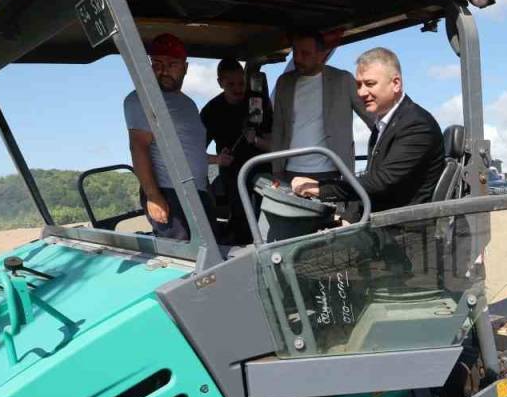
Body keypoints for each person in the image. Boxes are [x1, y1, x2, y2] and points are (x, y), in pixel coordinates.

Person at [293, 48, 444, 216]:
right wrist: (346, 217)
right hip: (383, 220)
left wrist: (319, 189)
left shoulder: (416, 125)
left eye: (370, 84)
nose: (361, 93)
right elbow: (373, 183)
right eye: (359, 85)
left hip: (405, 229)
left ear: (396, 84)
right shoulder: (383, 124)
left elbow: (381, 182)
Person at [124, 33, 215, 241]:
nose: (164, 70)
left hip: (198, 191)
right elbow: (139, 147)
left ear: (185, 67)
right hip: (169, 192)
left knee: (211, 254)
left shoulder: (188, 104)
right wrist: (153, 196)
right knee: (186, 258)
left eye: (172, 64)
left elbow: (189, 149)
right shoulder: (141, 99)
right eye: (157, 63)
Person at [272, 31, 374, 185]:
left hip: (333, 173)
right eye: (296, 52)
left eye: (305, 53)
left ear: (321, 55)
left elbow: (373, 118)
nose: (298, 58)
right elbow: (278, 129)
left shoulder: (343, 80)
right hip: (290, 173)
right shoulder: (284, 83)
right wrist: (276, 171)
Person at [201, 58, 273, 245]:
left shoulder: (258, 102)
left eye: (241, 83)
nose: (237, 88)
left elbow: (276, 140)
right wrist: (218, 159)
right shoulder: (211, 111)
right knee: (241, 221)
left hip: (264, 171)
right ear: (220, 83)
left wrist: (256, 140)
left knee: (267, 219)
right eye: (230, 84)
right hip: (233, 176)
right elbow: (194, 152)